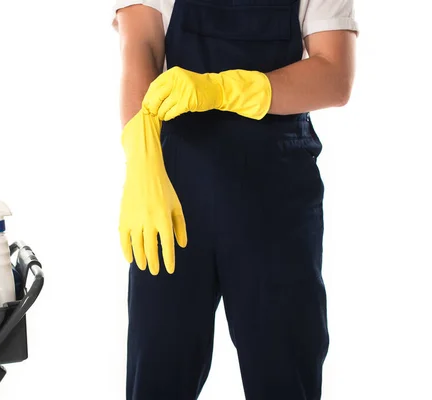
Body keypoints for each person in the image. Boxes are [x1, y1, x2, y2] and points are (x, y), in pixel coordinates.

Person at [113, 1, 358, 399]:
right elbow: (140, 45)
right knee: (158, 372)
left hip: (276, 200)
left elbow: (334, 74)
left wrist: (223, 89)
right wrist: (142, 160)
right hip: (171, 196)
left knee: (285, 376)